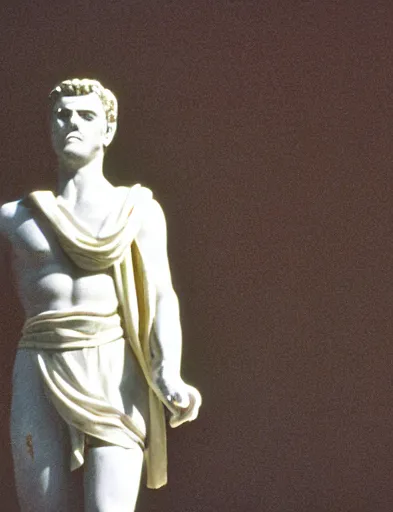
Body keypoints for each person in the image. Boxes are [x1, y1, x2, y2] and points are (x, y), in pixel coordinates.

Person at [0, 78, 201, 511]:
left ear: (107, 131)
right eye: (62, 115)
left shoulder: (137, 210)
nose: (72, 121)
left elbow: (164, 294)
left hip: (112, 365)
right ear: (49, 128)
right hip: (37, 360)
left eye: (86, 115)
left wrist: (168, 369)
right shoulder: (14, 218)